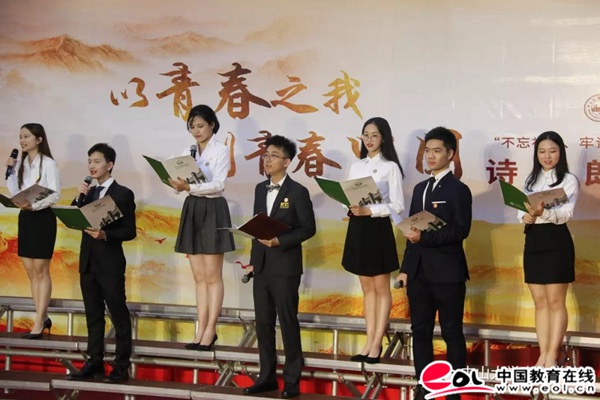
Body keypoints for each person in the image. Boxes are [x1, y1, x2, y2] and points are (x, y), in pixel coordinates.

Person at [397, 127, 472, 400]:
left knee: (451, 331)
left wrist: (424, 238)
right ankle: (424, 386)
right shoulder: (420, 188)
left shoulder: (458, 189)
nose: (430, 156)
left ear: (450, 154)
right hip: (418, 273)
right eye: (427, 151)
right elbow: (412, 230)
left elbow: (461, 230)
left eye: (436, 151)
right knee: (420, 331)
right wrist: (405, 269)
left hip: (448, 273)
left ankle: (455, 390)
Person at [243, 135, 316, 399]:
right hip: (262, 266)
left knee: (287, 321)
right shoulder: (260, 189)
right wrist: (253, 262)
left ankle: (292, 381)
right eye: (266, 155)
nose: (267, 160)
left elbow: (308, 228)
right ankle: (267, 377)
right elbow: (257, 227)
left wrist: (279, 241)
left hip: (285, 267)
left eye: (273, 155)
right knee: (263, 324)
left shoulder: (298, 192)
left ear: (286, 162)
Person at [68, 143, 136, 383]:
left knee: (118, 315)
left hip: (110, 264)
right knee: (93, 316)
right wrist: (78, 197)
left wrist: (106, 234)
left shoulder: (122, 194)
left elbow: (130, 231)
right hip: (88, 262)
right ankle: (94, 362)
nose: (92, 166)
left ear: (110, 164)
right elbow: (73, 219)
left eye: (97, 161)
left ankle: (121, 367)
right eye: (89, 161)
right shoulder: (88, 193)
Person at [170, 104, 235, 351]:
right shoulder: (187, 151)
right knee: (199, 277)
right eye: (192, 127)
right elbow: (182, 181)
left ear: (212, 125)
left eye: (200, 126)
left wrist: (190, 187)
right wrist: (177, 185)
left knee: (212, 276)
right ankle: (200, 329)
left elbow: (219, 184)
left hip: (213, 208)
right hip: (193, 207)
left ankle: (211, 329)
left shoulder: (221, 150)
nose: (196, 131)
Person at [341, 117, 405, 364]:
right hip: (358, 227)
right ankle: (368, 341)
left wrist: (370, 210)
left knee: (380, 288)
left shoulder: (390, 167)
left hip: (378, 228)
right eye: (365, 135)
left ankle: (377, 342)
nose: (369, 140)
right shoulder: (356, 166)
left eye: (374, 135)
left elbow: (398, 205)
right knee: (367, 288)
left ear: (384, 138)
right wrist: (349, 205)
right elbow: (348, 195)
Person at [518, 131, 578, 368]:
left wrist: (544, 212)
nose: (547, 156)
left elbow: (566, 214)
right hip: (534, 240)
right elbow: (520, 209)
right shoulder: (530, 180)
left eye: (552, 151)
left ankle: (553, 354)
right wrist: (526, 216)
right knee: (540, 302)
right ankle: (542, 354)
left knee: (555, 301)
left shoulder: (568, 180)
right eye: (542, 151)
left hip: (557, 241)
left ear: (560, 152)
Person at [5, 123, 60, 340]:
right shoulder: (20, 164)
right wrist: (10, 171)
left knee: (41, 270)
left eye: (26, 136)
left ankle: (38, 321)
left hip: (42, 217)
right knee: (30, 271)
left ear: (39, 139)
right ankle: (42, 316)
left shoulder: (48, 164)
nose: (22, 140)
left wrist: (34, 205)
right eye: (20, 136)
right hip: (26, 218)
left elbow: (55, 195)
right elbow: (14, 192)